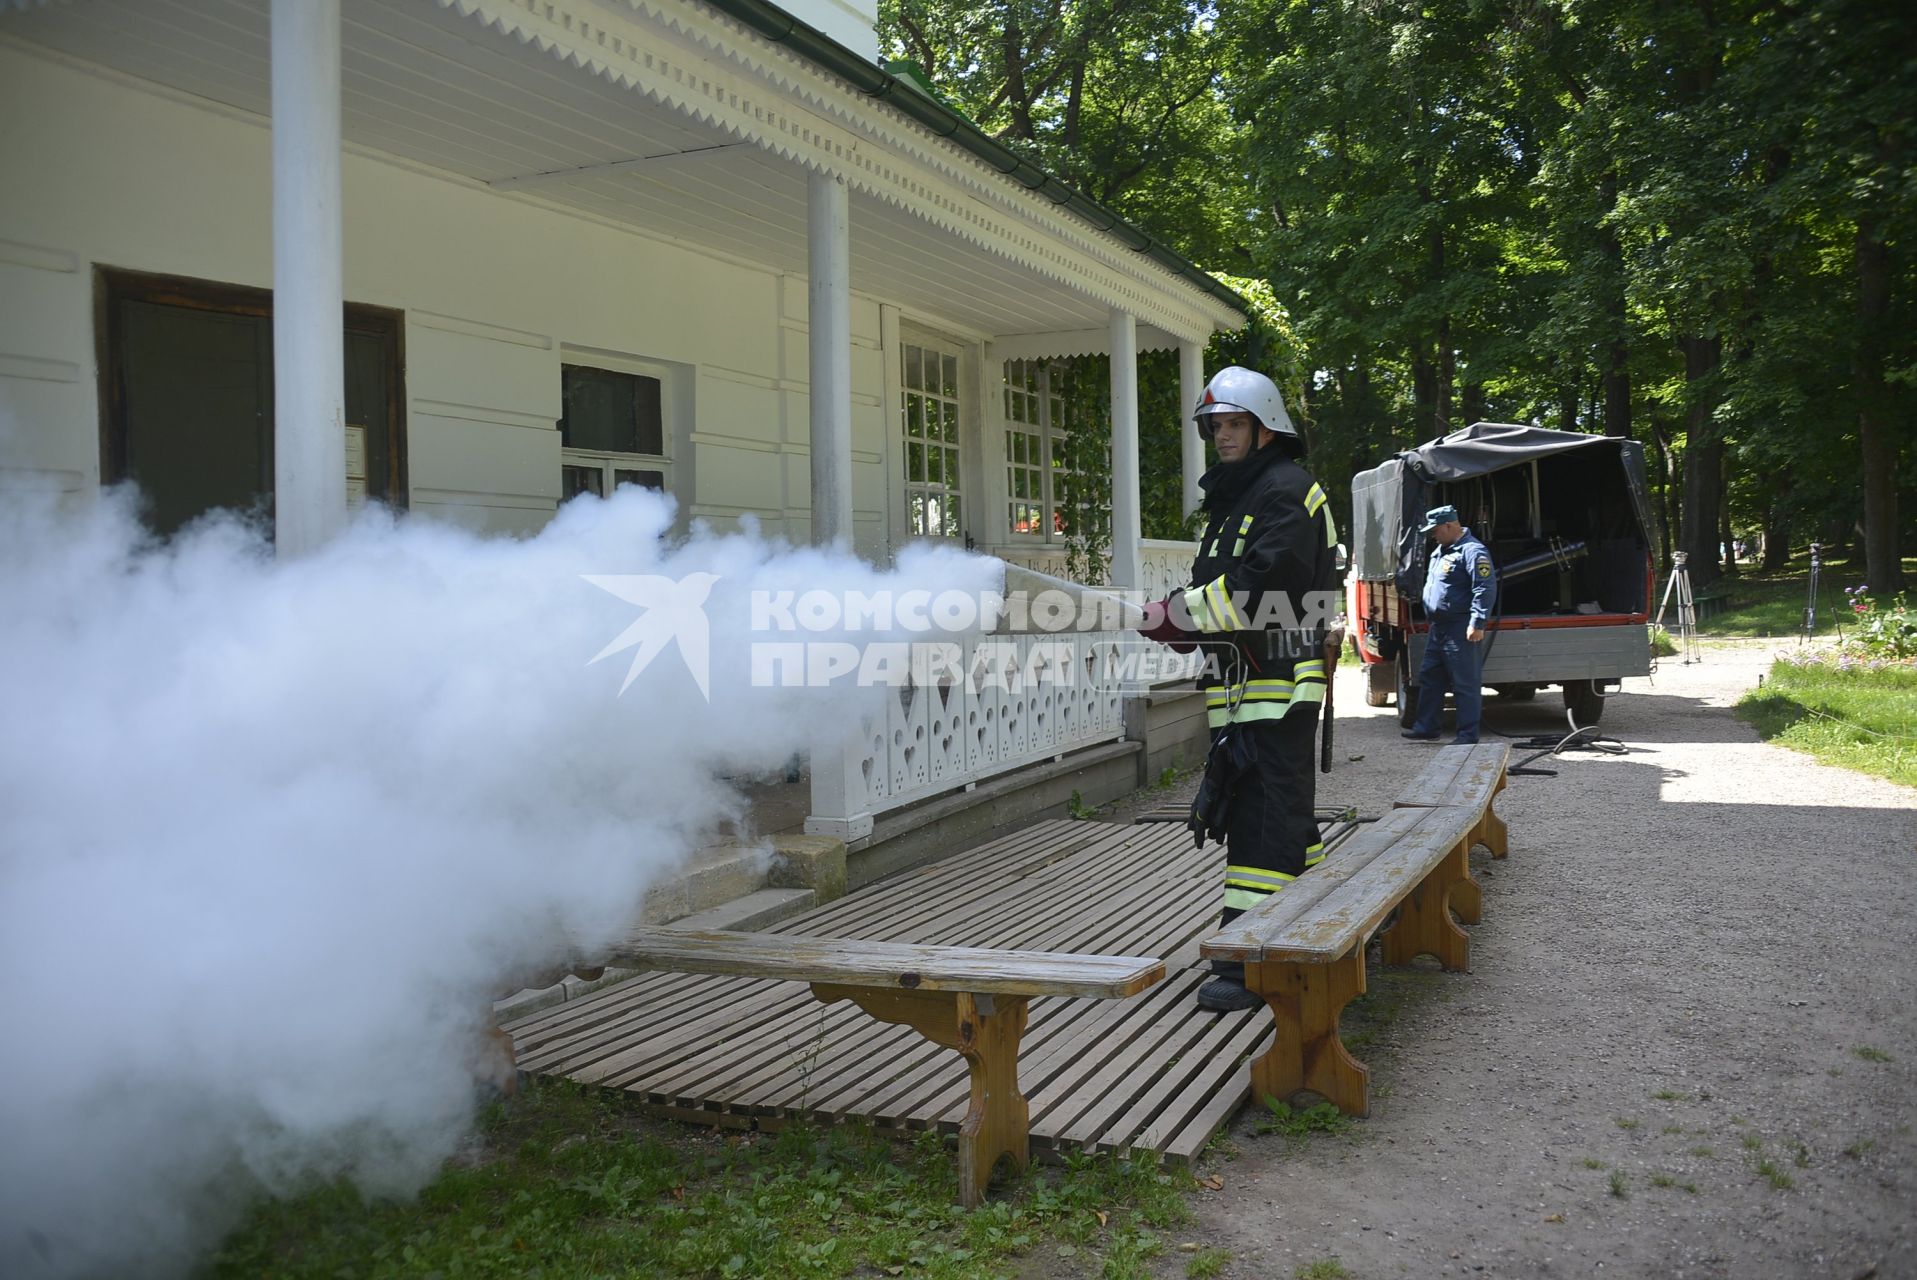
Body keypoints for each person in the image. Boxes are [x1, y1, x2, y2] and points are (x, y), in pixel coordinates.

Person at [1138, 366, 1340, 1012]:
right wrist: (1179, 621)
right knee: (1276, 812)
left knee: (1263, 819)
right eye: (1214, 426)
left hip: (1276, 683)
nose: (1221, 437)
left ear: (1264, 427)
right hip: (1244, 685)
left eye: (1232, 424)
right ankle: (1313, 921)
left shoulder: (1284, 491)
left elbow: (1263, 588)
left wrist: (1179, 614)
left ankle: (1251, 959)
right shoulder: (1244, 498)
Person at [1401, 504, 1496, 745]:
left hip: (1459, 626)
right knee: (1430, 677)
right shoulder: (1441, 550)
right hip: (1439, 627)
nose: (1433, 535)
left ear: (1449, 525)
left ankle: (1467, 736)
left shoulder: (1473, 551)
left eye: (1435, 530)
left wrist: (1477, 622)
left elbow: (1484, 588)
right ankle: (1427, 727)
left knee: (1465, 681)